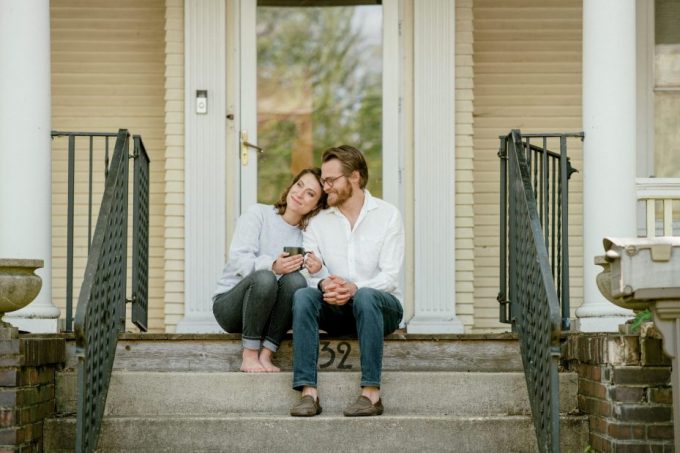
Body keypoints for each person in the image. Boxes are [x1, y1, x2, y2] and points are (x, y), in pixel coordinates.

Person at [289, 145, 404, 417]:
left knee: (365, 296)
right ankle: (308, 394)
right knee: (303, 296)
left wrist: (354, 288)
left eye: (330, 180)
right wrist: (323, 284)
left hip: (380, 308)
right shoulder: (318, 222)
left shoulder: (388, 216)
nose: (324, 186)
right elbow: (309, 271)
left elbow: (389, 277)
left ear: (354, 177)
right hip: (336, 308)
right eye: (324, 180)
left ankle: (371, 395)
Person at [212, 168, 327, 373]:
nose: (300, 194)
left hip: (271, 317)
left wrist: (316, 271)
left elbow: (305, 288)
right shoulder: (258, 214)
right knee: (266, 277)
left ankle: (266, 355)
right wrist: (273, 266)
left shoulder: (308, 236)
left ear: (317, 205)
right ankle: (249, 356)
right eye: (299, 185)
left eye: (310, 193)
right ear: (291, 185)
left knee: (296, 282)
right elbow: (239, 260)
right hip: (231, 307)